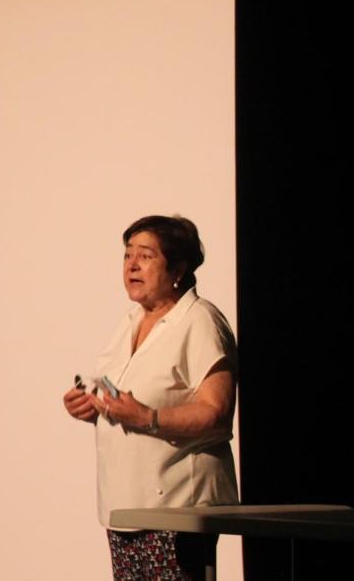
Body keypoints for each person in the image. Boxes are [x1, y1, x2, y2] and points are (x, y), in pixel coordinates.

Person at [63, 215, 238, 581]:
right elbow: (122, 399)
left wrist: (147, 417)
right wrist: (92, 408)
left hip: (177, 508)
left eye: (145, 255)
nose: (132, 265)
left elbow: (216, 413)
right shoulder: (129, 321)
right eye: (127, 256)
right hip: (126, 508)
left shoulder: (200, 321)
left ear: (178, 267)